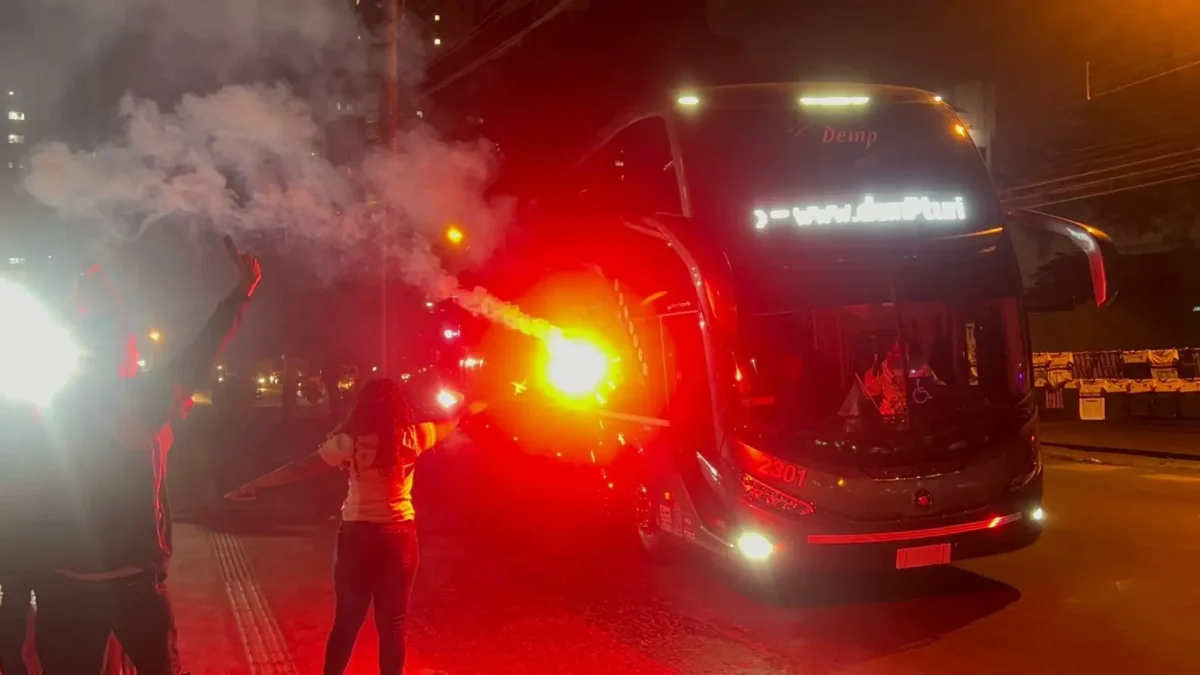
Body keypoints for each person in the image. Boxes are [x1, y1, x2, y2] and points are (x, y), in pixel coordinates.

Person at [34, 238, 261, 675]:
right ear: (126, 354)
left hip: (67, 584)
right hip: (133, 583)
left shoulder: (58, 405)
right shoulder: (143, 396)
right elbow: (203, 347)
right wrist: (243, 289)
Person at [224, 379, 486, 675]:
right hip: (399, 538)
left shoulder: (349, 442)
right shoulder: (415, 435)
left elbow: (300, 468)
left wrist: (255, 484)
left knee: (346, 623)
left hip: (356, 538)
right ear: (399, 408)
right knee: (393, 626)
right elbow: (449, 422)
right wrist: (471, 406)